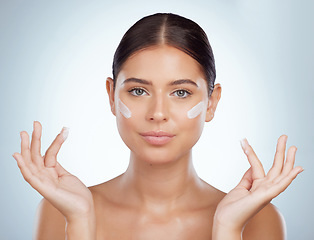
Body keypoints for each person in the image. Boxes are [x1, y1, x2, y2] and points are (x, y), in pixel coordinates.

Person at [12, 13, 303, 240]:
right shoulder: (59, 210)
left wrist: (227, 228)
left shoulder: (258, 220)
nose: (158, 113)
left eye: (181, 93)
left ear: (212, 103)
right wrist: (80, 222)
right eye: (139, 91)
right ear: (112, 96)